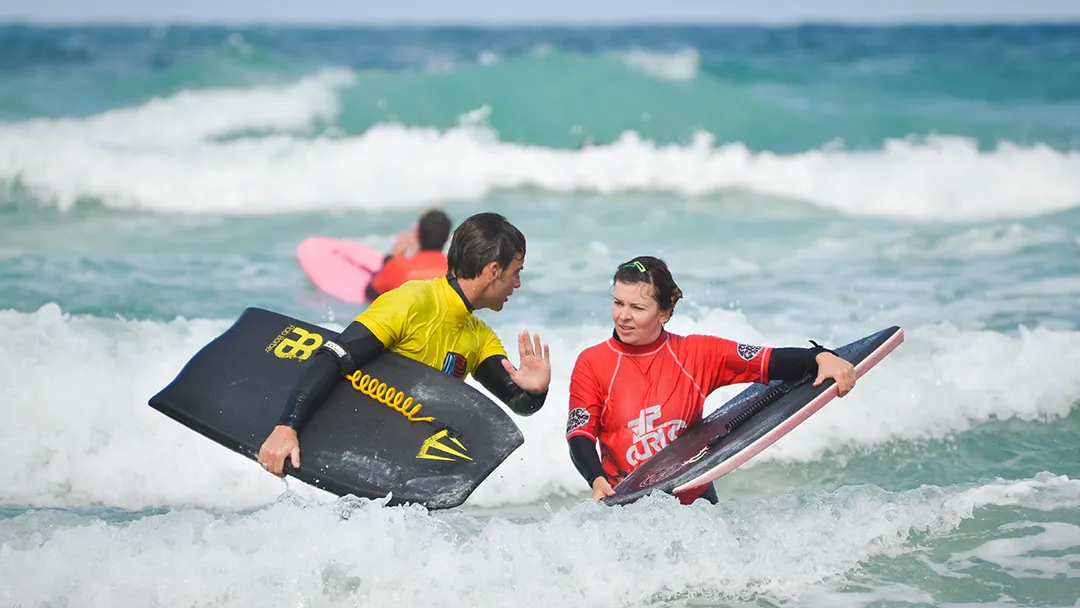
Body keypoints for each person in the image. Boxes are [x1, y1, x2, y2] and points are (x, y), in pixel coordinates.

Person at [258, 212, 551, 476]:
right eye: (517, 272)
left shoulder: (480, 336)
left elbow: (517, 403)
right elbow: (335, 355)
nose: (518, 284)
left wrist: (536, 391)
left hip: (406, 468)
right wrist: (287, 427)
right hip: (359, 452)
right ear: (493, 270)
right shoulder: (412, 301)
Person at [565, 256, 857, 505]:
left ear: (664, 313)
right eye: (618, 303)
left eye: (637, 308)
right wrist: (596, 478)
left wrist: (818, 356)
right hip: (628, 504)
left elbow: (767, 361)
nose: (623, 316)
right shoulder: (593, 363)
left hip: (696, 507)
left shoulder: (696, 353)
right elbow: (580, 434)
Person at [365, 208, 453, 302]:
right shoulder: (456, 270)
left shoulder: (398, 265)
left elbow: (370, 293)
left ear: (417, 233)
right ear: (447, 238)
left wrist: (390, 258)